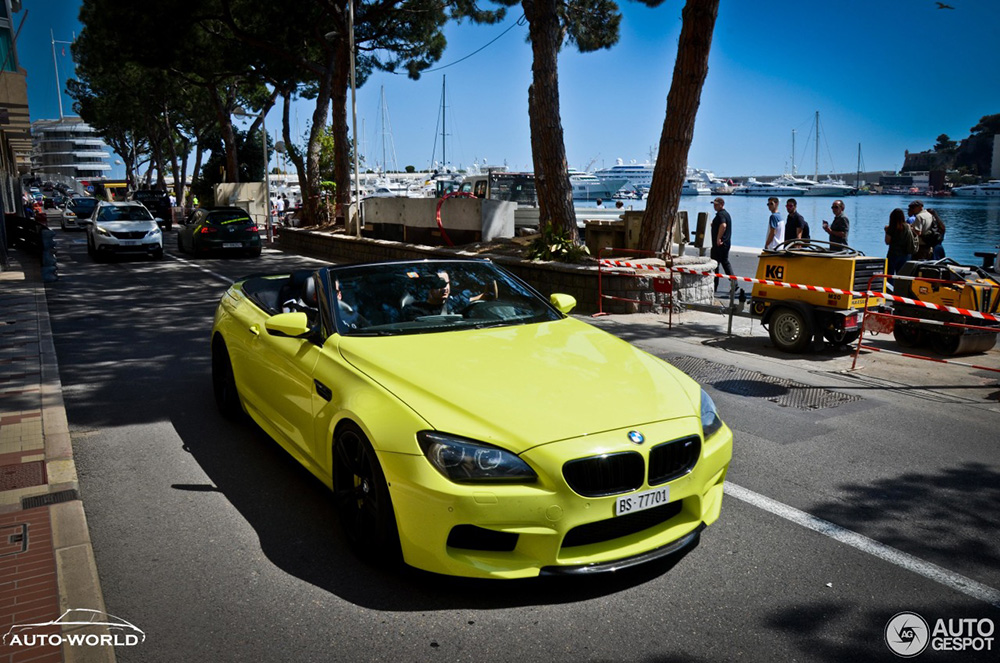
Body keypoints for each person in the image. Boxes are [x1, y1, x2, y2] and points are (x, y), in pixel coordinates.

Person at [402, 270, 497, 320]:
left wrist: (490, 275)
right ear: (430, 287)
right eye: (440, 285)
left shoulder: (455, 302)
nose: (445, 288)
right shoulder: (415, 310)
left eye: (447, 284)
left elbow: (487, 296)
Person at [710, 197, 734, 293]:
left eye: (716, 204)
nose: (714, 206)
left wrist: (718, 238)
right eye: (714, 204)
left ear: (721, 204)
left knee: (714, 265)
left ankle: (714, 286)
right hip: (726, 243)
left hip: (719, 245)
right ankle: (734, 282)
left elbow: (723, 225)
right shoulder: (725, 214)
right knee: (725, 263)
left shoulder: (721, 214)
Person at [885, 208, 915, 276]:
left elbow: (887, 241)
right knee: (903, 275)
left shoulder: (891, 228)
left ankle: (891, 286)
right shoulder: (908, 226)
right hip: (906, 254)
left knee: (890, 275)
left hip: (893, 253)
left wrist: (886, 231)